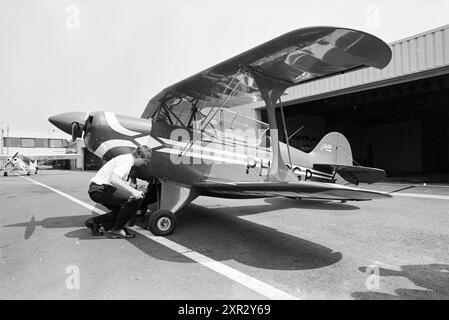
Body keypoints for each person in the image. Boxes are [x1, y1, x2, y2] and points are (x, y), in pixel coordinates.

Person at [85, 146, 152, 239]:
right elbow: (114, 180)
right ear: (138, 156)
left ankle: (95, 222)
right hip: (100, 189)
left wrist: (136, 188)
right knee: (135, 199)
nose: (144, 163)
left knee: (122, 210)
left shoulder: (125, 159)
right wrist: (134, 192)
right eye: (145, 160)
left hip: (98, 189)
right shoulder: (126, 162)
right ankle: (117, 230)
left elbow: (119, 183)